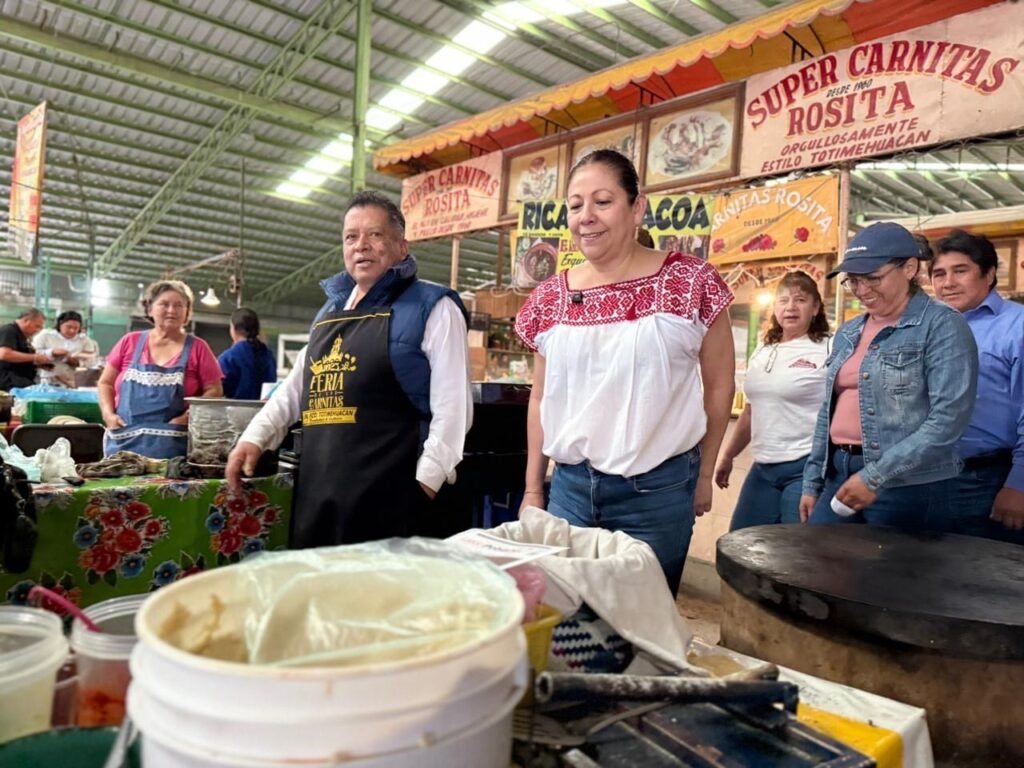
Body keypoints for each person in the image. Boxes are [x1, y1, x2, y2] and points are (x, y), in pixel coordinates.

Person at [515, 149, 735, 593]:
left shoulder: (691, 281)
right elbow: (540, 398)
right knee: (567, 615)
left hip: (658, 493)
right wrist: (533, 489)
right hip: (569, 491)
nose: (586, 217)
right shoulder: (549, 298)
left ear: (637, 208)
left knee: (643, 617)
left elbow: (719, 386)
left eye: (603, 201)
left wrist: (704, 474)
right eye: (575, 205)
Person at [226, 191, 473, 547]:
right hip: (320, 494)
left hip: (394, 499)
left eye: (375, 234)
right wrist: (254, 438)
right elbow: (296, 388)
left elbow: (453, 409)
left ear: (402, 247)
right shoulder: (329, 313)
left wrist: (426, 483)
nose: (361, 246)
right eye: (351, 237)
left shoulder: (433, 307)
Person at [800, 222, 978, 528]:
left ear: (909, 268)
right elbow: (827, 411)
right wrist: (813, 480)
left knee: (890, 560)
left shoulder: (942, 325)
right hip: (840, 472)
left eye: (873, 278)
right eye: (853, 281)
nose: (861, 290)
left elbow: (948, 420)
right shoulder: (849, 332)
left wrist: (874, 476)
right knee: (819, 556)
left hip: (908, 484)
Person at [715, 271, 830, 530]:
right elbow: (751, 411)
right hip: (763, 466)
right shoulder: (764, 350)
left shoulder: (828, 348)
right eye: (783, 300)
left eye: (800, 300)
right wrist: (728, 455)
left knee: (794, 548)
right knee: (740, 541)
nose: (791, 307)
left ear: (815, 308)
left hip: (805, 467)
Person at [929, 230, 1024, 541]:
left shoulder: (1017, 326)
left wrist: (1019, 484)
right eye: (939, 274)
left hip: (989, 480)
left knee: (989, 568)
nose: (948, 283)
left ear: (989, 273)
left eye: (960, 271)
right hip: (925, 481)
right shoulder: (928, 327)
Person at [98, 281, 223, 459]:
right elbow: (105, 383)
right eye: (164, 304)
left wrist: (188, 417)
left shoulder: (198, 347)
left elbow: (214, 390)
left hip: (173, 444)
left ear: (187, 312)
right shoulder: (129, 342)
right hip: (123, 442)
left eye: (179, 305)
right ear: (150, 309)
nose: (172, 310)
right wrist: (108, 414)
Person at [218, 307, 277, 400]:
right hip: (264, 408)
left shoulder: (229, 357)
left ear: (233, 328)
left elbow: (218, 389)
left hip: (235, 408)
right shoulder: (268, 355)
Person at [32, 310, 100, 388]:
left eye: (76, 328)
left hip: (73, 381)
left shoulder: (84, 340)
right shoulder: (45, 336)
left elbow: (92, 361)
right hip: (47, 380)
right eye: (69, 327)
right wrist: (51, 352)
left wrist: (78, 363)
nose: (72, 330)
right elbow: (33, 354)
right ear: (60, 324)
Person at [0, 308, 52, 390]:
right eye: (37, 326)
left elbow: (18, 357)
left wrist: (37, 363)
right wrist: (35, 357)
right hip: (8, 378)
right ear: (26, 320)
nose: (38, 330)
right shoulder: (9, 331)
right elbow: (4, 354)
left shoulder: (23, 336)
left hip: (20, 377)